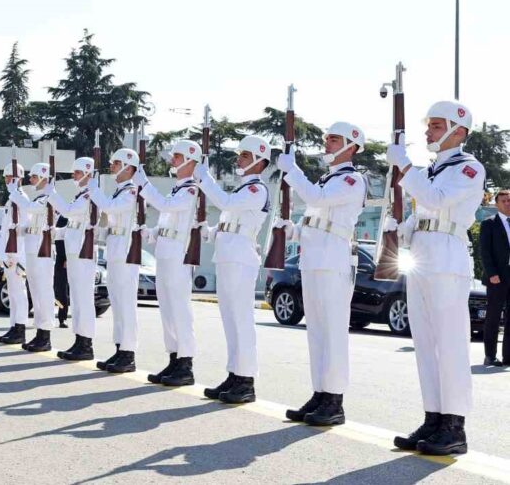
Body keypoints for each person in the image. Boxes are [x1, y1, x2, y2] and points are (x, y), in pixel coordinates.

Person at [386, 101, 485, 455]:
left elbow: (437, 200)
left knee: (450, 344)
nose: (428, 131)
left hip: (447, 258)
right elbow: (423, 210)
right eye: (428, 125)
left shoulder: (469, 168)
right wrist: (402, 229)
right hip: (423, 256)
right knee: (426, 343)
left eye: (436, 125)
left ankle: (454, 425)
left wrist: (405, 167)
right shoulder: (432, 169)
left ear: (458, 131)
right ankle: (433, 419)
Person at [275, 124, 367, 426]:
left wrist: (292, 171)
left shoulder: (352, 179)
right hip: (313, 260)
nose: (326, 143)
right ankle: (319, 393)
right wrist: (293, 231)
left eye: (334, 139)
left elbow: (317, 199)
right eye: (327, 138)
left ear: (351, 146)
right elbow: (314, 218)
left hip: (333, 261)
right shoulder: (327, 180)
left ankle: (335, 400)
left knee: (333, 332)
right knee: (315, 331)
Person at [195, 136, 272, 404]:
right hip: (228, 257)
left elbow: (226, 204)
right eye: (240, 154)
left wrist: (205, 180)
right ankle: (234, 374)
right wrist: (209, 232)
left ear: (259, 161)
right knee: (230, 321)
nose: (238, 159)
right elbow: (229, 222)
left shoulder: (256, 190)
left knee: (241, 321)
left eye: (245, 156)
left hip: (240, 260)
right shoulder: (243, 189)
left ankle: (246, 380)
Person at [136, 139, 201, 386]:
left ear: (189, 160)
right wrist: (151, 232)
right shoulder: (177, 189)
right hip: (165, 252)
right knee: (167, 309)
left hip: (179, 255)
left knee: (179, 309)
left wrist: (145, 184)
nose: (172, 160)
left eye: (176, 156)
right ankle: (174, 358)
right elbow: (168, 219)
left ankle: (186, 363)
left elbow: (166, 206)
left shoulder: (191, 190)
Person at [88, 148, 144, 374]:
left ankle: (128, 353)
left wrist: (93, 189)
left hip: (126, 250)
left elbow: (110, 208)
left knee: (126, 304)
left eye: (116, 162)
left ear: (129, 168)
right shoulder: (119, 191)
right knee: (117, 302)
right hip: (116, 248)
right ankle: (120, 348)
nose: (111, 165)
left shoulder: (131, 191)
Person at [45, 157, 99, 361]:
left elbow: (67, 212)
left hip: (83, 252)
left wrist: (52, 193)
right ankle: (79, 340)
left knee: (84, 299)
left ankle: (86, 343)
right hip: (74, 251)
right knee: (77, 298)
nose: (74, 176)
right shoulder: (81, 195)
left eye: (76, 173)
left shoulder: (89, 196)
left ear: (86, 173)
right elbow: (71, 224)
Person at [7, 162, 56, 351]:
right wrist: (23, 229)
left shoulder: (47, 198)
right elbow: (34, 221)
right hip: (33, 251)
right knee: (36, 293)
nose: (30, 179)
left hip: (42, 253)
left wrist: (14, 191)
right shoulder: (40, 198)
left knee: (44, 293)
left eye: (34, 176)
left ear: (44, 177)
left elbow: (29, 208)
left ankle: (46, 335)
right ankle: (40, 333)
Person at [0, 162, 29, 345]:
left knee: (19, 293)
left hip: (16, 254)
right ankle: (13, 326)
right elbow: (6, 231)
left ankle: (20, 328)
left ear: (18, 179)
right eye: (6, 177)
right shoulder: (11, 199)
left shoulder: (21, 198)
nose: (7, 181)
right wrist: (3, 253)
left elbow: (22, 231)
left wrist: (16, 255)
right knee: (13, 293)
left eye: (10, 177)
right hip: (8, 253)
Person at [479, 189, 510, 367]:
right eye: (504, 201)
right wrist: (492, 274)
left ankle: (508, 356)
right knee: (493, 316)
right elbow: (485, 252)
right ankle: (490, 355)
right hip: (497, 278)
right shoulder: (489, 224)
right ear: (496, 204)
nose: (507, 203)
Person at [53, 216, 70, 328]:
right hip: (58, 263)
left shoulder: (64, 220)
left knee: (62, 293)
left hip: (60, 263)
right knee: (62, 293)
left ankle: (62, 318)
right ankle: (61, 318)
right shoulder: (63, 221)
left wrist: (65, 260)